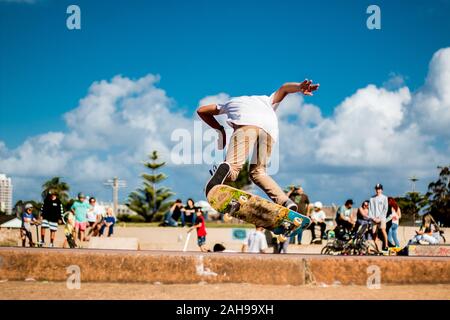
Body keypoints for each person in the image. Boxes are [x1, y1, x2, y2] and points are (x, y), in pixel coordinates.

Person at [198, 80, 320, 213]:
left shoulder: (230, 103)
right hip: (269, 129)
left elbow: (201, 110)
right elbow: (284, 88)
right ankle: (285, 201)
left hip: (246, 122)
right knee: (258, 172)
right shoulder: (266, 100)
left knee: (233, 168)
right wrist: (299, 87)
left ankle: (226, 168)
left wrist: (220, 129)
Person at [368, 184, 389, 251]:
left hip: (382, 218)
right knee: (374, 233)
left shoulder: (384, 198)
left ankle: (386, 245)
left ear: (382, 190)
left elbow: (385, 209)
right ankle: (377, 248)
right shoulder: (372, 198)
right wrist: (373, 218)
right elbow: (370, 209)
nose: (378, 190)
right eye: (377, 189)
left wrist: (380, 218)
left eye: (379, 189)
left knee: (383, 230)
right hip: (373, 219)